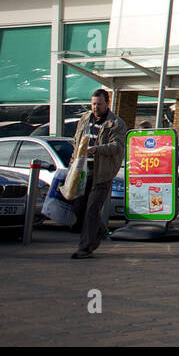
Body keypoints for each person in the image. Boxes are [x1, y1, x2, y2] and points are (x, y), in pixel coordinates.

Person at [71, 89, 127, 259]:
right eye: (93, 104)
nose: (95, 107)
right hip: (82, 171)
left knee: (92, 209)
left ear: (107, 103)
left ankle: (85, 248)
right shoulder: (85, 119)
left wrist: (97, 149)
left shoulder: (116, 123)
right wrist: (73, 163)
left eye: (99, 104)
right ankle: (100, 229)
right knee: (78, 207)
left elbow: (117, 146)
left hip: (102, 173)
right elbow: (76, 141)